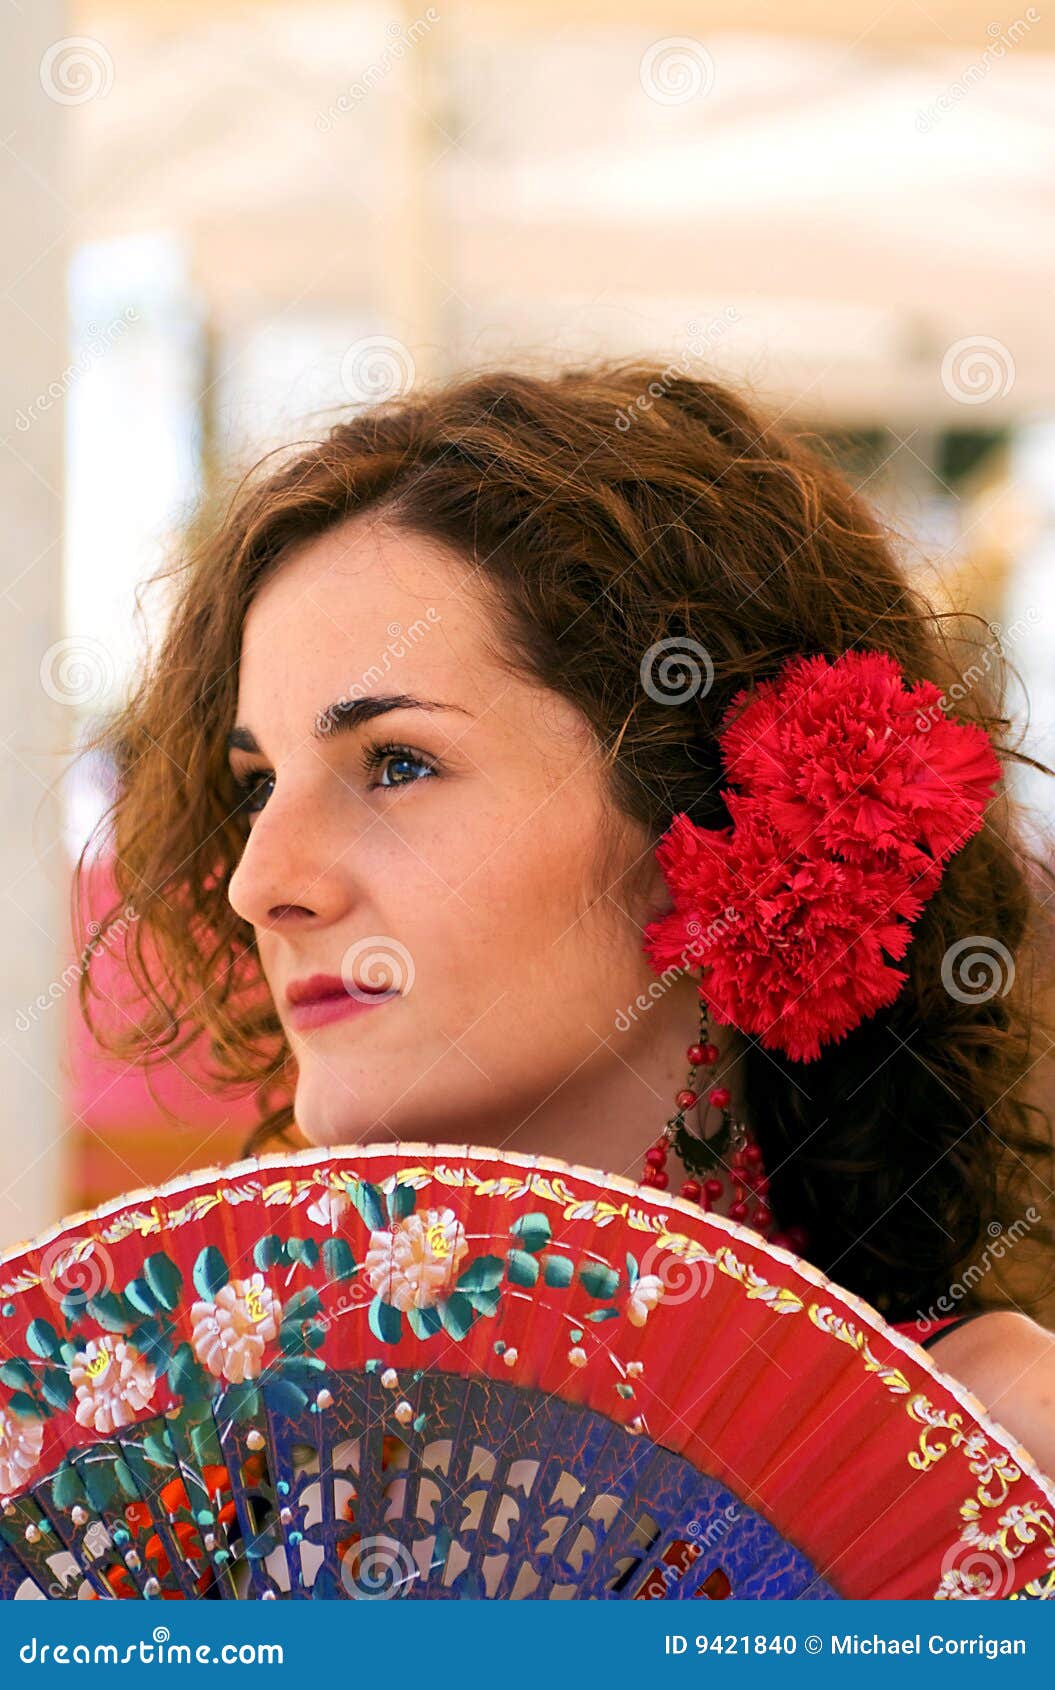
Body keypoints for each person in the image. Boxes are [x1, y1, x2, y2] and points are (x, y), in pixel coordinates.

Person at [78, 360, 1055, 1479]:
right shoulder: (181, 1455)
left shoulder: (989, 1452)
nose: (262, 880)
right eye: (258, 784)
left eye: (395, 763)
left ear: (720, 818)